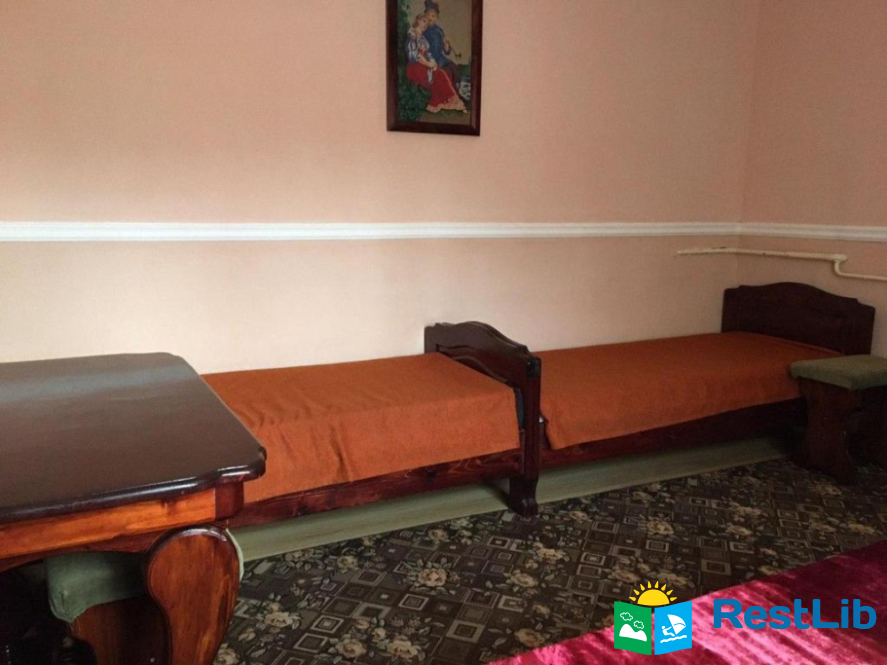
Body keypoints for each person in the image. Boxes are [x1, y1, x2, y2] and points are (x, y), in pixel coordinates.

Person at [405, 13, 466, 113]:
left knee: (443, 72)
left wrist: (433, 62)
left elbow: (428, 54)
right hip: (415, 66)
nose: (425, 24)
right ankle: (445, 102)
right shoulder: (412, 34)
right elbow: (414, 55)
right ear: (418, 20)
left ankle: (450, 100)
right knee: (439, 74)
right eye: (424, 21)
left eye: (427, 22)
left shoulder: (423, 38)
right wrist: (428, 64)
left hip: (424, 64)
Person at [422, 1, 463, 91]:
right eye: (428, 15)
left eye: (433, 16)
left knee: (454, 69)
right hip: (429, 58)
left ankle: (455, 90)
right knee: (442, 74)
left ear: (437, 18)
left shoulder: (439, 31)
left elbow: (446, 52)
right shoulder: (423, 29)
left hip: (440, 58)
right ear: (424, 15)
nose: (430, 18)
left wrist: (446, 47)